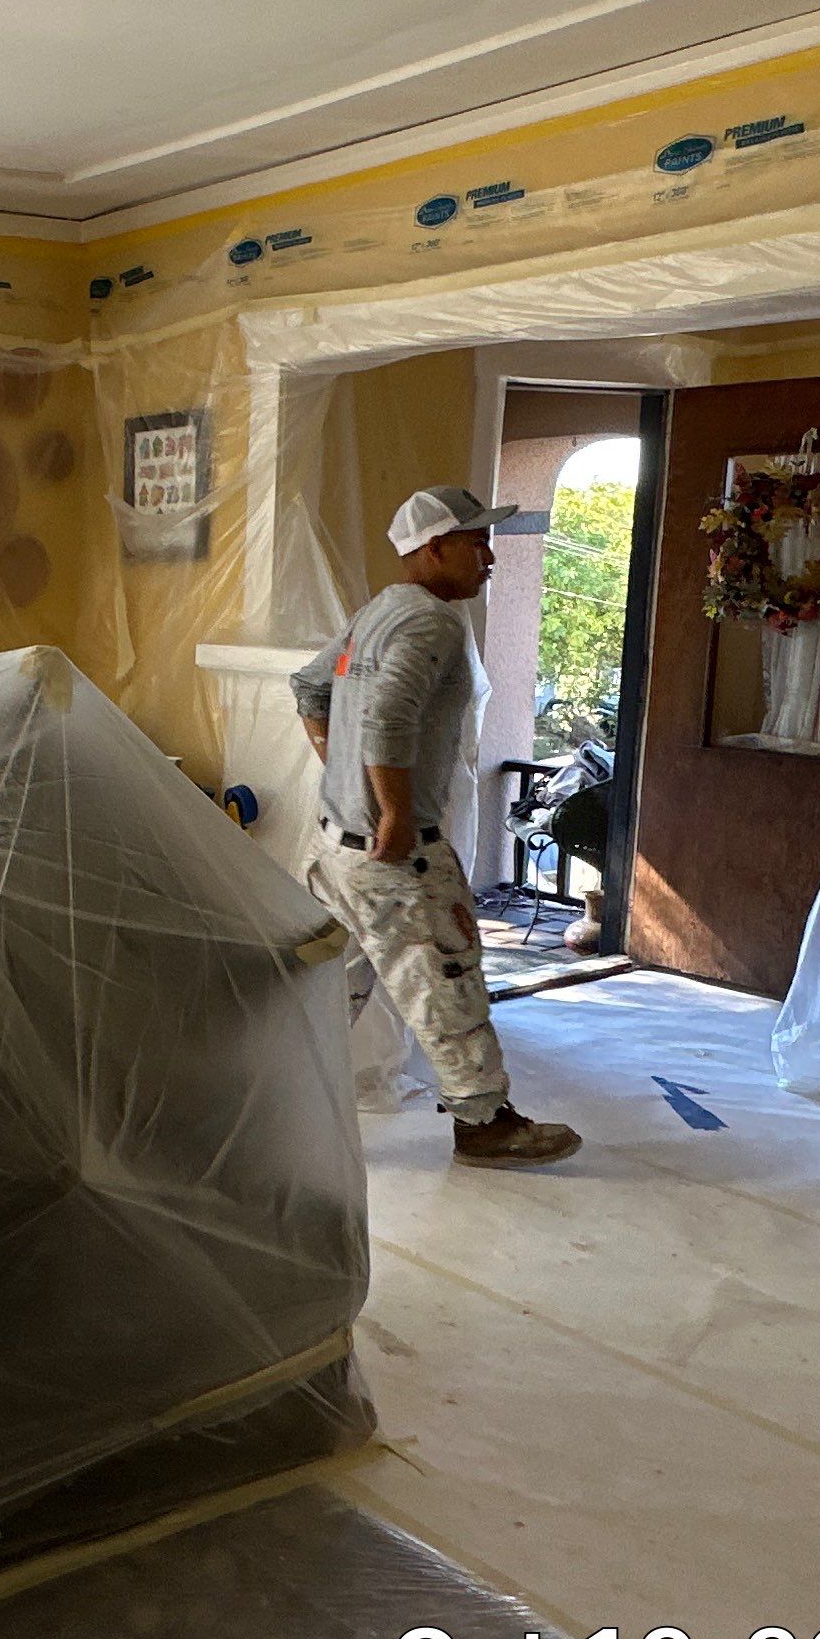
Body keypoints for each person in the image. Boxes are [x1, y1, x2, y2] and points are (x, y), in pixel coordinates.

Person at [291, 485, 583, 1168]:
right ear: (434, 548)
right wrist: (390, 809)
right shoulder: (432, 622)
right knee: (446, 977)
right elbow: (387, 717)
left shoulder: (378, 612)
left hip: (334, 853)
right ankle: (484, 1123)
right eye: (477, 542)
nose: (489, 558)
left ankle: (283, 1101)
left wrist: (341, 775)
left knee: (331, 990)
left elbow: (310, 686)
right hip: (394, 857)